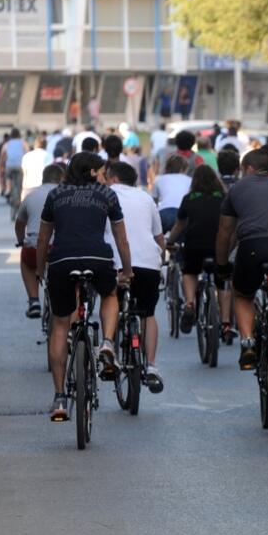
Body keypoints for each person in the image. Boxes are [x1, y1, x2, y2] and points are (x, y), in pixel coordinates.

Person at [35, 153, 132, 420]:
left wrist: (40, 269)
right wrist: (127, 269)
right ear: (91, 172)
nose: (103, 176)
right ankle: (108, 343)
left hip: (62, 261)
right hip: (98, 258)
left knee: (60, 323)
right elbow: (121, 239)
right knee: (110, 294)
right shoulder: (107, 195)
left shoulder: (55, 195)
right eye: (101, 172)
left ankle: (59, 398)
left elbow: (43, 239)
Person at [214, 149, 268, 372]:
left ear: (248, 168)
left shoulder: (237, 189)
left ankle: (248, 341)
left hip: (251, 248)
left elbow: (224, 231)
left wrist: (221, 264)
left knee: (242, 294)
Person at [106, 161, 166, 393]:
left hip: (117, 263)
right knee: (148, 313)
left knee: (111, 302)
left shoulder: (106, 195)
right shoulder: (146, 198)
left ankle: (109, 345)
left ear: (113, 178)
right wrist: (162, 258)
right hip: (148, 263)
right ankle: (151, 366)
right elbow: (158, 237)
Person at [168, 166, 233, 340]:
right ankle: (226, 324)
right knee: (223, 280)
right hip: (218, 245)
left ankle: (190, 302)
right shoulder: (224, 198)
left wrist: (170, 242)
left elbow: (179, 225)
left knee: (189, 272)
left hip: (194, 245)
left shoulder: (188, 199)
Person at [15, 164, 64, 318]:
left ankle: (34, 300)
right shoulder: (65, 195)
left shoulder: (31, 196)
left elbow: (19, 223)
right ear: (61, 179)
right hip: (61, 249)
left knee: (26, 263)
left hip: (34, 248)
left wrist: (21, 240)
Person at [151, 154, 192, 233]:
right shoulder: (189, 180)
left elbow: (154, 202)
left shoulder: (158, 179)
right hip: (182, 214)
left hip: (163, 213)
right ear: (182, 169)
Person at [0, 128, 27, 205]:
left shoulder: (6, 144)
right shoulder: (23, 143)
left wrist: (1, 167)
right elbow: (27, 154)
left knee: (8, 177)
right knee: (20, 182)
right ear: (19, 135)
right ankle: (21, 197)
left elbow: (2, 157)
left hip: (9, 165)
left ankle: (8, 189)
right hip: (20, 166)